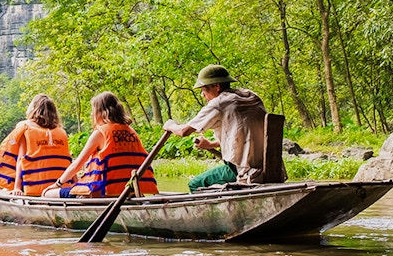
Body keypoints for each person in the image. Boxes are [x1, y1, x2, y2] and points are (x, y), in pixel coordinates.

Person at [163, 64, 269, 192]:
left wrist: (170, 125)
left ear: (216, 86)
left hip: (242, 169)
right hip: (268, 167)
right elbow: (243, 134)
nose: (202, 95)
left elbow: (184, 131)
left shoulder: (219, 104)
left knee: (195, 184)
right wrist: (210, 144)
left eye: (203, 89)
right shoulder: (251, 97)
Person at [42, 91, 158, 198]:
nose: (92, 113)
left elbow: (76, 166)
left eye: (93, 110)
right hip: (130, 193)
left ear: (100, 112)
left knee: (47, 193)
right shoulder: (132, 132)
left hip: (101, 193)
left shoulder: (100, 133)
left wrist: (58, 184)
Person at [0, 94, 73, 196]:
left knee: (2, 181)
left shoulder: (26, 126)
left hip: (33, 187)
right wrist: (75, 183)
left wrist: (17, 188)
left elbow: (21, 159)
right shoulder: (60, 131)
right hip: (58, 186)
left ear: (33, 109)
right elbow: (68, 161)